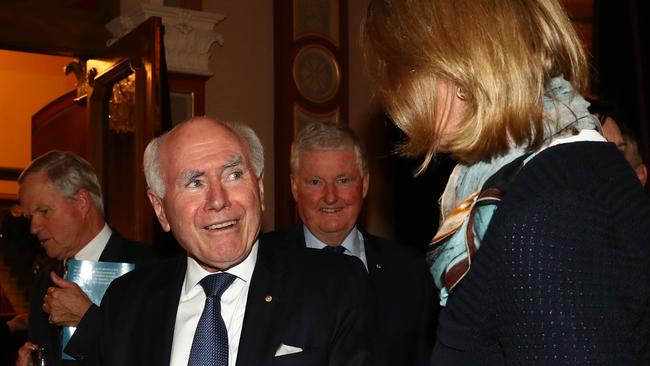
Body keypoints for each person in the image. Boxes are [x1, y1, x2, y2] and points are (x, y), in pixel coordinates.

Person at [362, 0, 650, 364]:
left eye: (399, 70)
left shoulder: (548, 214)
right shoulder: (557, 169)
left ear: (458, 67)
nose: (392, 96)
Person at [78, 117, 371, 366]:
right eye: (195, 182)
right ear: (160, 208)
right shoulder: (127, 302)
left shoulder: (333, 285)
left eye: (233, 175)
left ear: (260, 189)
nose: (218, 201)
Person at [264, 121, 435, 365]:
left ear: (364, 184)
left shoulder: (411, 271)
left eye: (343, 180)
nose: (331, 196)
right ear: (294, 187)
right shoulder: (261, 264)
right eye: (315, 182)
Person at [14, 151, 155, 366]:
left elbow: (155, 354)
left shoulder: (150, 269)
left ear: (81, 201)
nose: (33, 227)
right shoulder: (44, 280)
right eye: (29, 217)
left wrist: (88, 321)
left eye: (44, 211)